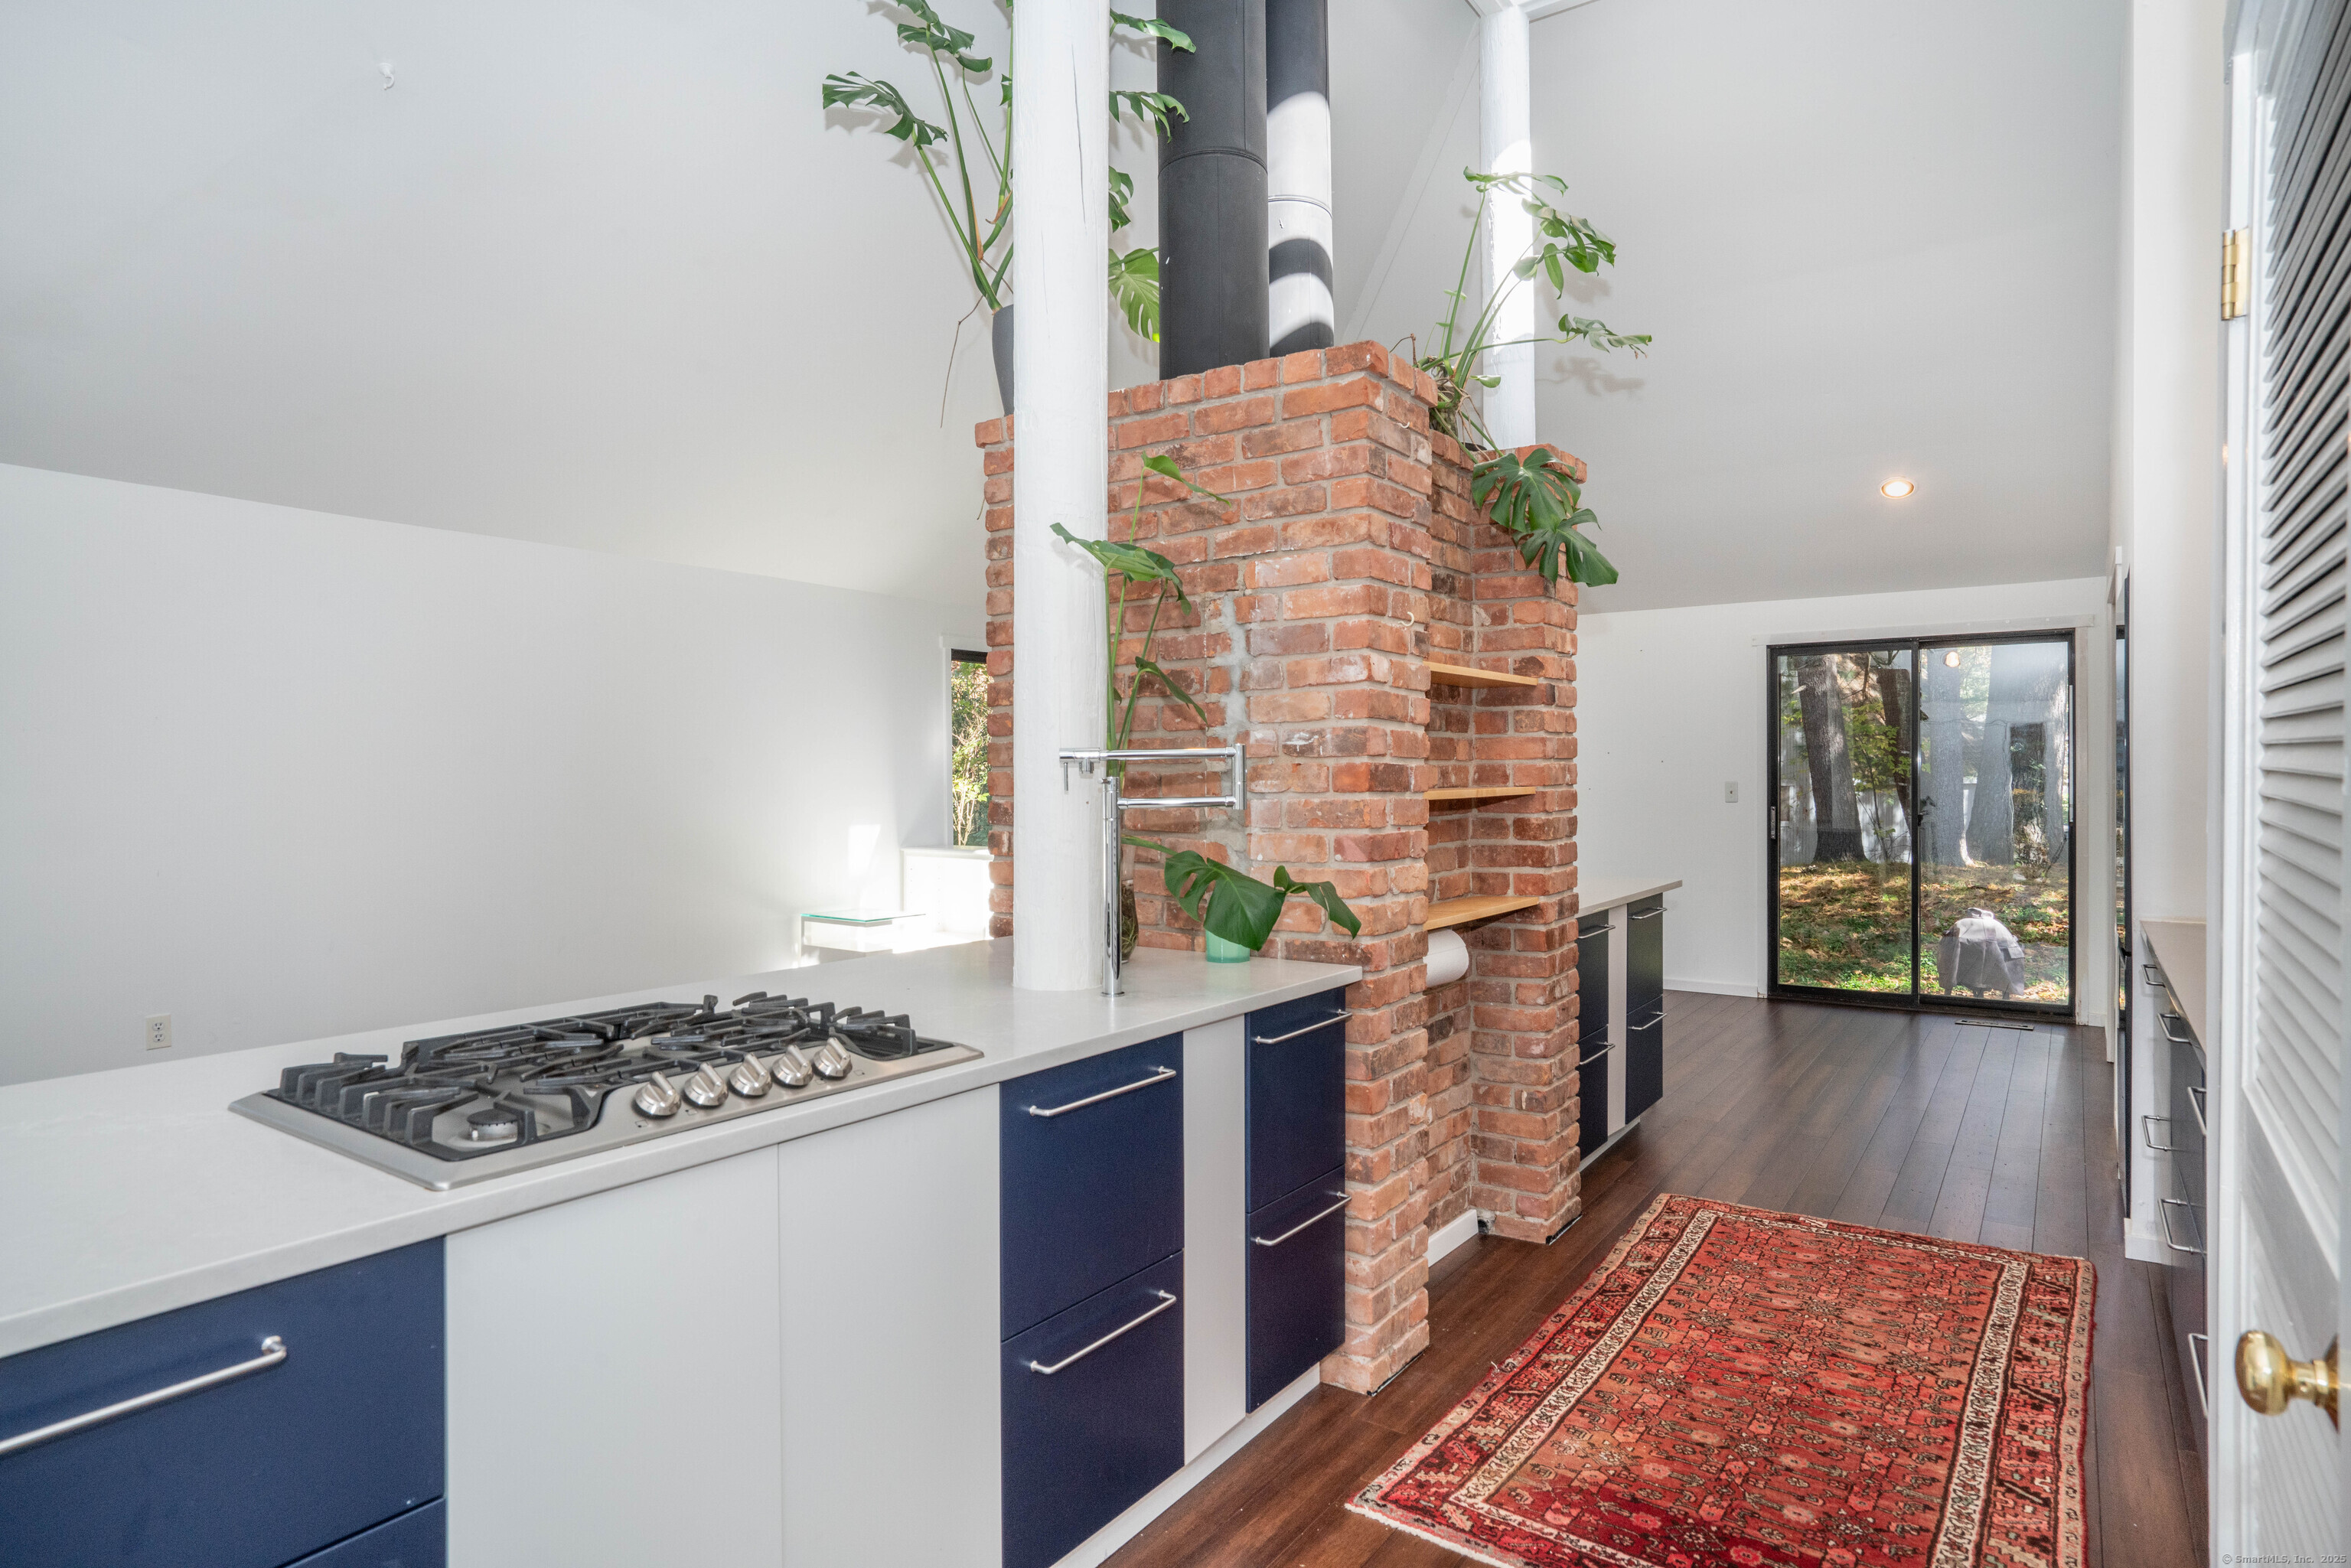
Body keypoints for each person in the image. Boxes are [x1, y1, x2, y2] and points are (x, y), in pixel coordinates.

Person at [1935, 908, 2026, 997]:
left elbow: (1947, 948)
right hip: (1996, 969)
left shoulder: (1960, 924)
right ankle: (2005, 997)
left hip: (1965, 967)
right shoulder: (1998, 926)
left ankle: (1949, 994)